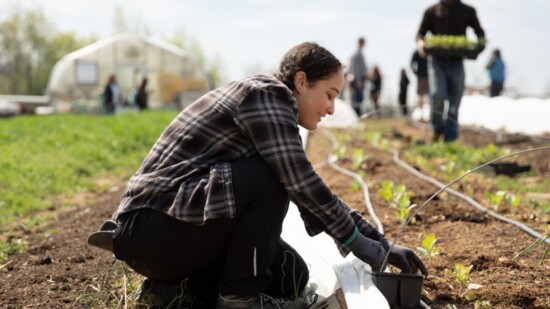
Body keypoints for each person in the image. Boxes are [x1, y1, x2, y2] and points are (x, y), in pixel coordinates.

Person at [89, 42, 427, 308]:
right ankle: (238, 302)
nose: (331, 109)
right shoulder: (267, 95)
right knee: (270, 179)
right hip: (152, 227)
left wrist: (379, 242)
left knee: (290, 276)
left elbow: (307, 191)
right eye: (329, 95)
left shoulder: (277, 118)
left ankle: (172, 288)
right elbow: (302, 184)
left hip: (169, 236)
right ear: (301, 80)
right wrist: (360, 243)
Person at [416, 0, 486, 142]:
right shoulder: (432, 11)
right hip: (437, 61)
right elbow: (420, 34)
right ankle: (437, 129)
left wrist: (477, 48)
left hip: (457, 61)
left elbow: (480, 34)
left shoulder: (467, 11)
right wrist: (422, 45)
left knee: (455, 100)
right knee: (438, 95)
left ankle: (450, 137)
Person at [347, 37, 368, 117]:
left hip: (360, 79)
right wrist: (358, 80)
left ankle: (358, 113)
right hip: (357, 79)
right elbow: (354, 67)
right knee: (357, 98)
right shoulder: (356, 54)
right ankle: (356, 114)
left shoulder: (360, 53)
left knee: (359, 98)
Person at [410, 49, 429, 121]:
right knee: (420, 96)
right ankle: (420, 115)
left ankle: (427, 115)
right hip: (420, 77)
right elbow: (411, 64)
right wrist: (416, 73)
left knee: (428, 96)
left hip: (429, 76)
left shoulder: (428, 51)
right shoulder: (416, 52)